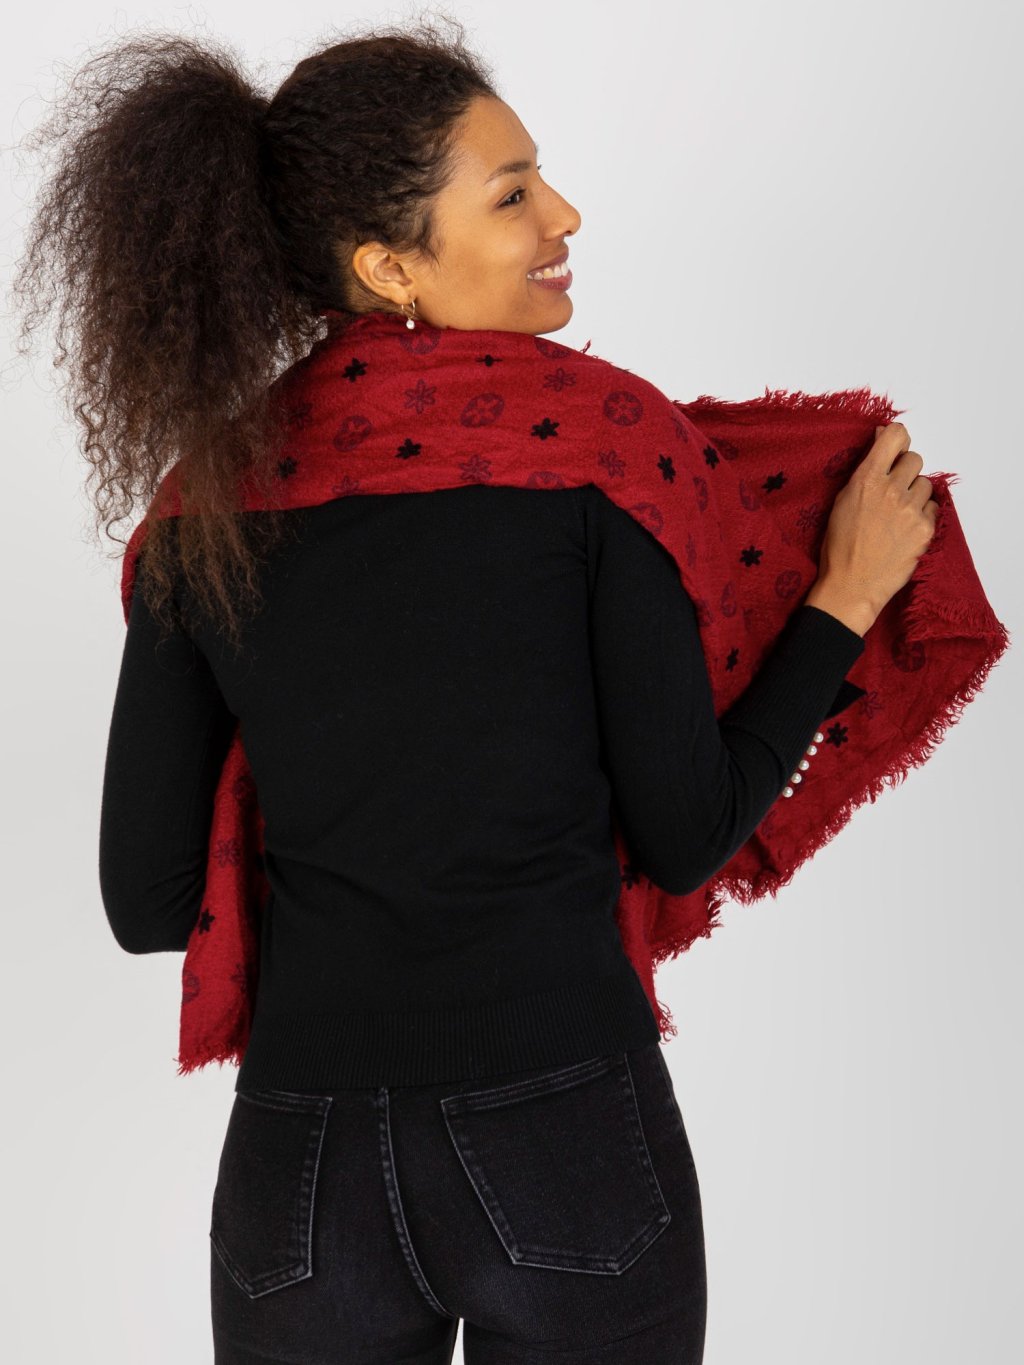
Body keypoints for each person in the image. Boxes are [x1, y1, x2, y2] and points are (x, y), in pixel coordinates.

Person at [12, 13, 936, 1364]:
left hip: (300, 1163)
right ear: (388, 265)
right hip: (565, 1130)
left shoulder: (207, 501)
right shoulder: (600, 451)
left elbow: (149, 903)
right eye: (512, 195)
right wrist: (845, 601)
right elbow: (687, 830)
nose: (564, 214)